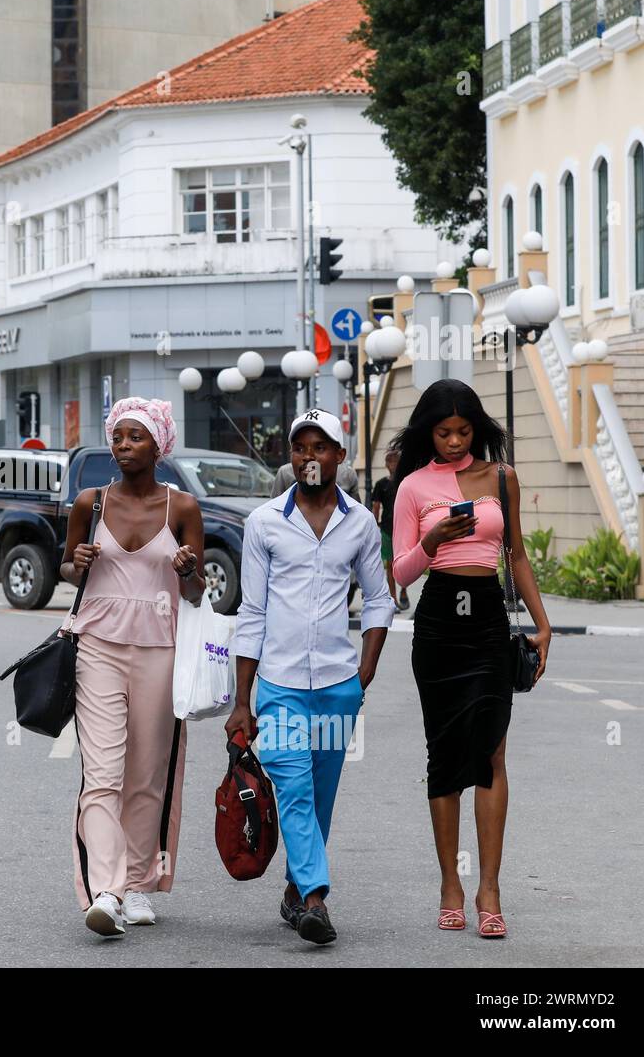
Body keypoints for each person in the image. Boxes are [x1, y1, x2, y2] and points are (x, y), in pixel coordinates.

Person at [390, 379, 550, 939]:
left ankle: (490, 889)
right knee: (444, 754)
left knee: (490, 753)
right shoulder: (412, 486)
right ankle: (450, 887)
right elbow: (399, 575)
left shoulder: (502, 479)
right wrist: (433, 540)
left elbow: (518, 556)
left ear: (477, 428)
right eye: (443, 432)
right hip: (438, 621)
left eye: (463, 431)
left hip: (485, 617)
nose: (454, 441)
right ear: (427, 433)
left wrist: (544, 623)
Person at [229, 408, 394, 946]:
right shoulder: (265, 523)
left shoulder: (360, 524)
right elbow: (251, 612)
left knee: (320, 794)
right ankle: (317, 900)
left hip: (336, 686)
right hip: (277, 685)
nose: (309, 457)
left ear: (339, 457)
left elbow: (378, 599)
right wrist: (242, 699)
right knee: (295, 785)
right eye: (300, 447)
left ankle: (295, 891)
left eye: (320, 447)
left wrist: (363, 671)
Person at [61, 397, 205, 938]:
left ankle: (140, 884)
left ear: (158, 444)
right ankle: (106, 890)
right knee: (101, 774)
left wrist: (190, 572)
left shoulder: (184, 508)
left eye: (135, 436)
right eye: (118, 436)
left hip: (161, 652)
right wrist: (74, 563)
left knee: (147, 773)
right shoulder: (89, 502)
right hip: (96, 645)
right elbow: (68, 568)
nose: (123, 446)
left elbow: (194, 594)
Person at [369, 448, 409, 610]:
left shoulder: (405, 482)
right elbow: (376, 506)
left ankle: (404, 590)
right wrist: (374, 524)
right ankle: (393, 599)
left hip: (405, 528)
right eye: (390, 461)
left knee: (406, 564)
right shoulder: (381, 484)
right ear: (386, 464)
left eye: (395, 462)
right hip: (386, 528)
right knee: (391, 565)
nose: (392, 465)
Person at [270, 458, 359, 498]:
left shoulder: (348, 474)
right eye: (299, 448)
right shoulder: (285, 472)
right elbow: (275, 508)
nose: (309, 455)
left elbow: (355, 511)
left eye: (320, 448)